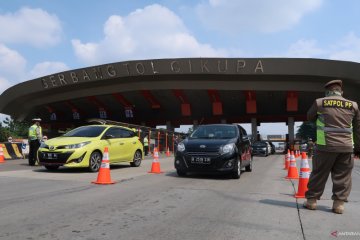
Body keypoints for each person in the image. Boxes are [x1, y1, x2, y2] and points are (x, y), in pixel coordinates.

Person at [303, 79, 360, 214]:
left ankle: (312, 201)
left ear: (328, 92)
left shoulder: (320, 102)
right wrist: (357, 148)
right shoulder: (353, 105)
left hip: (325, 147)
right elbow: (358, 128)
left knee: (319, 173)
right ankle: (338, 204)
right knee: (343, 176)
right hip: (346, 147)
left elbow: (309, 117)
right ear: (341, 92)